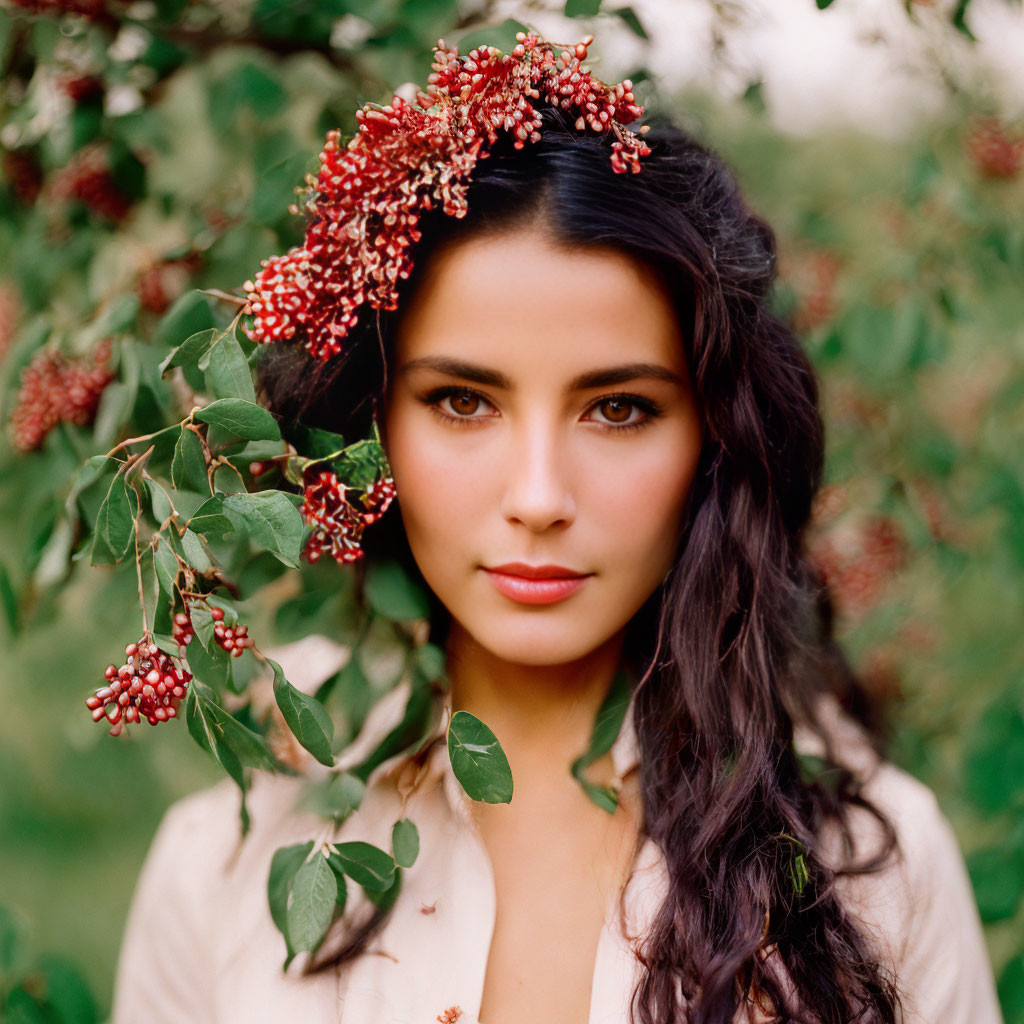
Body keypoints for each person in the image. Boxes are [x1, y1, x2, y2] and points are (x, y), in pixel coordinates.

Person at [110, 31, 1003, 1024]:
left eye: (617, 409)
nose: (538, 496)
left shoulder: (871, 869)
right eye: (462, 402)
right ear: (371, 431)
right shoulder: (226, 861)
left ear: (712, 437)